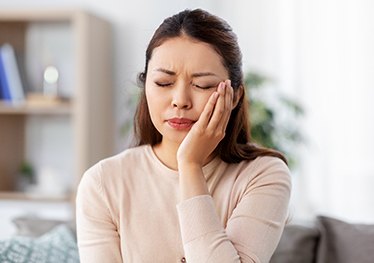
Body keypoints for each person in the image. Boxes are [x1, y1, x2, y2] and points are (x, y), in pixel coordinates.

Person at [76, 8, 291, 263]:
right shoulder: (103, 184)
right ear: (145, 87)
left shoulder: (263, 175)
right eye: (164, 83)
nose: (180, 101)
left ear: (234, 97)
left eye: (202, 85)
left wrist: (190, 165)